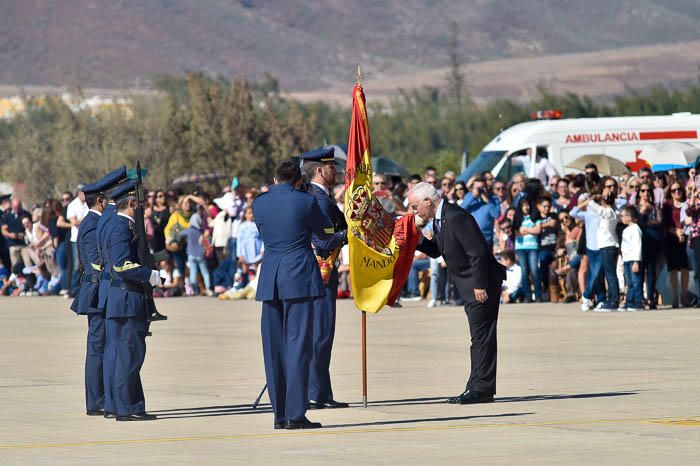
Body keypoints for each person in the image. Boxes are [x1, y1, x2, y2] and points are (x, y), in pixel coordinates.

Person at [253, 160, 334, 429]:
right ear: (299, 181)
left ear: (275, 179)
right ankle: (295, 414)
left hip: (271, 278)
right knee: (298, 348)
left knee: (273, 349)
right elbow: (325, 234)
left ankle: (280, 414)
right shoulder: (305, 201)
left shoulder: (259, 202)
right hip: (298, 276)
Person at [408, 182, 506, 404]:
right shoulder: (440, 218)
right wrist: (419, 239)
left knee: (481, 338)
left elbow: (478, 252)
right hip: (471, 284)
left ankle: (481, 389)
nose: (415, 211)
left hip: (481, 285)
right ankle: (477, 386)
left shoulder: (455, 216)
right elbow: (436, 250)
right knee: (479, 338)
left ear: (428, 201)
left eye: (415, 206)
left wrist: (479, 285)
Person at [103, 181, 161, 421]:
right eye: (139, 205)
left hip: (122, 298)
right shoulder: (120, 227)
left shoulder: (116, 224)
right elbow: (122, 264)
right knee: (130, 356)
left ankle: (125, 405)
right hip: (127, 298)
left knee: (125, 356)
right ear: (131, 205)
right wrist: (150, 275)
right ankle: (127, 407)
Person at [301, 147, 350, 410]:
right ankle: (314, 393)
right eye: (332, 167)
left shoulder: (323, 197)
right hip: (321, 271)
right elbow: (322, 242)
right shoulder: (318, 200)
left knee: (323, 334)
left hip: (324, 272)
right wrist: (348, 235)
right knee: (320, 333)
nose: (337, 171)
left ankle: (321, 391)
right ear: (320, 170)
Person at [69, 173, 119, 416]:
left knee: (102, 345)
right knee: (97, 347)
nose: (112, 204)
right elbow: (95, 262)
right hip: (97, 292)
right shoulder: (91, 224)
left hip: (102, 291)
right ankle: (96, 400)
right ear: (100, 201)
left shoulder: (96, 222)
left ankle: (102, 398)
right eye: (110, 200)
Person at [662, 181, 690, 308]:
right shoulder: (667, 205)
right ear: (670, 193)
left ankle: (684, 296)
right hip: (671, 238)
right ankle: (675, 297)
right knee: (672, 268)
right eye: (674, 190)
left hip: (687, 237)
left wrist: (683, 231)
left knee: (685, 267)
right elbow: (665, 224)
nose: (677, 192)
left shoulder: (688, 203)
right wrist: (676, 232)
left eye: (679, 189)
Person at [461, 177, 501, 248]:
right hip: (471, 238)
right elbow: (460, 210)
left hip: (486, 239)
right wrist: (473, 196)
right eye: (477, 188)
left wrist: (487, 201)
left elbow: (496, 215)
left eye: (482, 188)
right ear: (472, 188)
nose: (480, 190)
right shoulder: (469, 196)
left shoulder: (493, 199)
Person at [513, 200, 541, 302]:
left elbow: (538, 230)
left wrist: (524, 229)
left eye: (528, 205)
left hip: (533, 247)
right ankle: (527, 295)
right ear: (520, 207)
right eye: (524, 205)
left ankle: (538, 295)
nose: (526, 207)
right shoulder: (517, 218)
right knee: (524, 272)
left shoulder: (535, 217)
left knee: (534, 271)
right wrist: (531, 230)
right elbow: (517, 232)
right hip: (520, 248)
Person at [619, 205, 643, 311]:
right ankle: (629, 302)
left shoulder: (635, 229)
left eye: (623, 216)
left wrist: (636, 261)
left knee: (636, 281)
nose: (621, 218)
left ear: (629, 217)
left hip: (633, 260)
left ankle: (638, 303)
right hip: (627, 260)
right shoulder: (626, 230)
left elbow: (637, 246)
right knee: (629, 283)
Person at [1, 199, 31, 267]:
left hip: (24, 244)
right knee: (17, 266)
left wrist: (25, 233)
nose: (17, 210)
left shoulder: (25, 214)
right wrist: (11, 235)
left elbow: (31, 225)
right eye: (15, 208)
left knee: (28, 264)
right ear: (12, 206)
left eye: (18, 207)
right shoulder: (7, 216)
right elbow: (3, 230)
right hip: (13, 245)